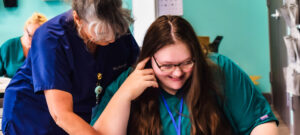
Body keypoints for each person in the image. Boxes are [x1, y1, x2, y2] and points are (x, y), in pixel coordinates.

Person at [91, 15, 279, 135]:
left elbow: (261, 124)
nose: (178, 72)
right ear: (148, 60)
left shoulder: (219, 69)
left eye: (187, 62)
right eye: (166, 65)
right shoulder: (128, 83)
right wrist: (124, 96)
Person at [2, 0, 139, 134]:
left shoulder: (119, 29)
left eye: (115, 32)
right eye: (101, 34)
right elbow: (61, 115)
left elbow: (138, 67)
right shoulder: (51, 38)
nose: (112, 40)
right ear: (77, 18)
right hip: (33, 116)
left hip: (81, 112)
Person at [0, 12, 47, 78]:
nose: (32, 40)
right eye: (30, 35)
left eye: (37, 37)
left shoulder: (47, 48)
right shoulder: (8, 47)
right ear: (24, 29)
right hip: (12, 86)